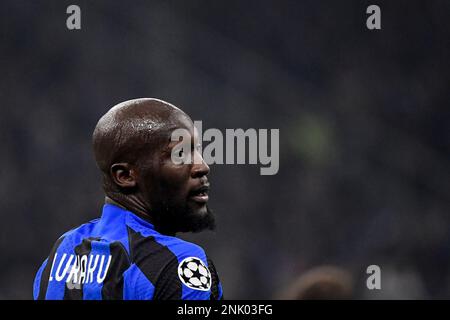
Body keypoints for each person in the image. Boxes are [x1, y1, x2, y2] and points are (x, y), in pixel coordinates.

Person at [33, 98, 223, 300]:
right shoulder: (179, 264)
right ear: (125, 176)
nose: (202, 166)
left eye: (198, 150)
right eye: (180, 153)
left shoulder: (60, 254)